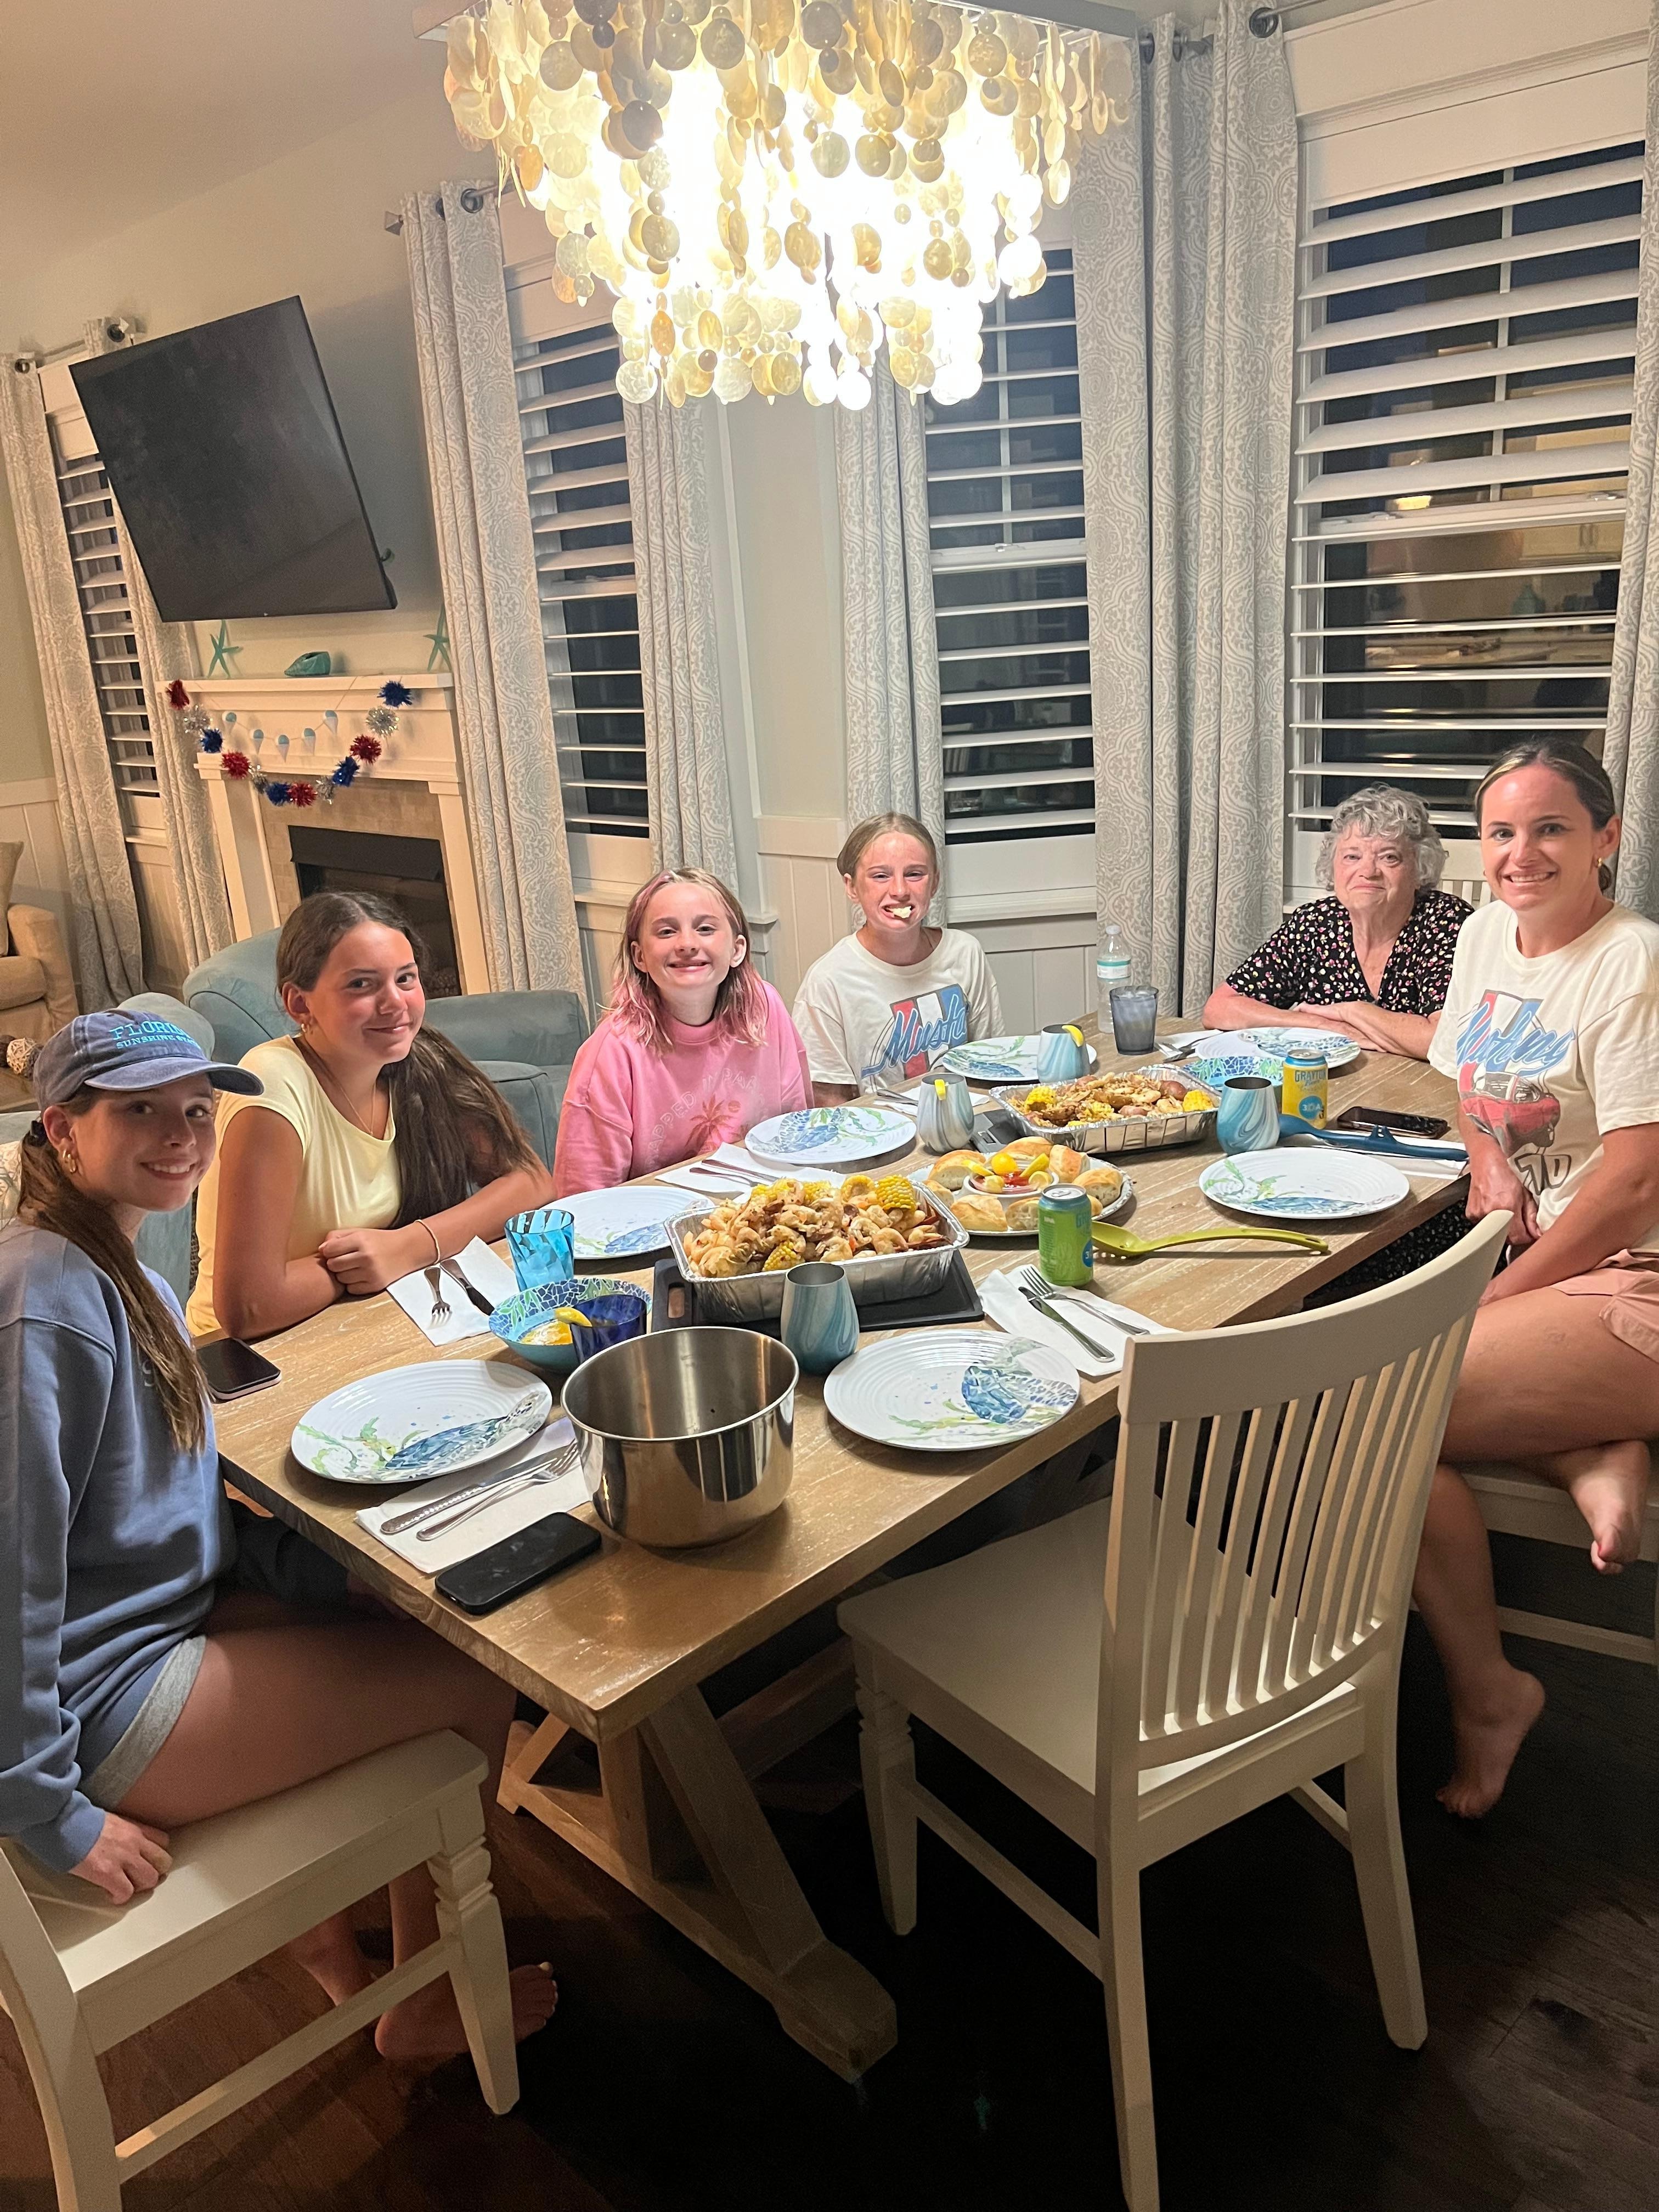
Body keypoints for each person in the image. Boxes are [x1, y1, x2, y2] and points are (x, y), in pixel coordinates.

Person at [0, 1011, 558, 2058]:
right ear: (63, 1130)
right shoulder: (44, 1302)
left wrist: (313, 1577)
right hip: (103, 1700)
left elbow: (168, 1514)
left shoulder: (125, 1277)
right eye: (140, 1112)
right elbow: (10, 1577)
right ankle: (423, 2000)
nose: (181, 1136)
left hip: (158, 1621)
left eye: (194, 1111)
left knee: (408, 1608)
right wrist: (44, 1807)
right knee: (472, 1675)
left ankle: (327, 1931)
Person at [1414, 739, 1659, 1818]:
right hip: (1553, 1263)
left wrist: (1496, 1298)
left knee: (1370, 1418)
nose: (1520, 854)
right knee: (1371, 1402)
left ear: (1606, 836)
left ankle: (1488, 1695)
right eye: (1501, 832)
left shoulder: (1631, 961)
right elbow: (1468, 1079)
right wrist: (1487, 1161)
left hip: (1635, 1274)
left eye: (1550, 828)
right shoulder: (1483, 935)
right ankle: (1587, 1444)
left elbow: (1637, 1181)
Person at [188, 892, 556, 1340]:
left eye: (405, 979)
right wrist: (363, 1265)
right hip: (249, 1355)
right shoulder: (273, 1086)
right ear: (299, 1004)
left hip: (359, 1320)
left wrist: (407, 1246)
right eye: (362, 985)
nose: (395, 1003)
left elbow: (531, 1181)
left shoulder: (419, 1059)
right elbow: (250, 1307)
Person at [552, 867, 812, 1194]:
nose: (687, 944)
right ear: (639, 956)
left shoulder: (765, 1008)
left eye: (705, 929)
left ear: (737, 950)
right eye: (666, 932)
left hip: (762, 1203)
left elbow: (795, 1131)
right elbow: (584, 1196)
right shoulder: (612, 1052)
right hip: (655, 1218)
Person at [1202, 785, 1471, 1060]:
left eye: (1389, 857)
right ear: (1333, 866)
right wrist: (1320, 1025)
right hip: (1329, 1082)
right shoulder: (1315, 924)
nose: (1368, 871)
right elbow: (1220, 1008)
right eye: (1352, 857)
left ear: (1419, 869)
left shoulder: (1447, 922)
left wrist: (1351, 1011)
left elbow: (1449, 1041)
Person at [792, 813, 1002, 1101]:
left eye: (915, 874)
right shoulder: (828, 982)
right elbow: (829, 1101)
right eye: (881, 876)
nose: (900, 891)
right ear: (852, 887)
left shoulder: (965, 953)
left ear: (935, 883)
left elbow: (990, 1063)